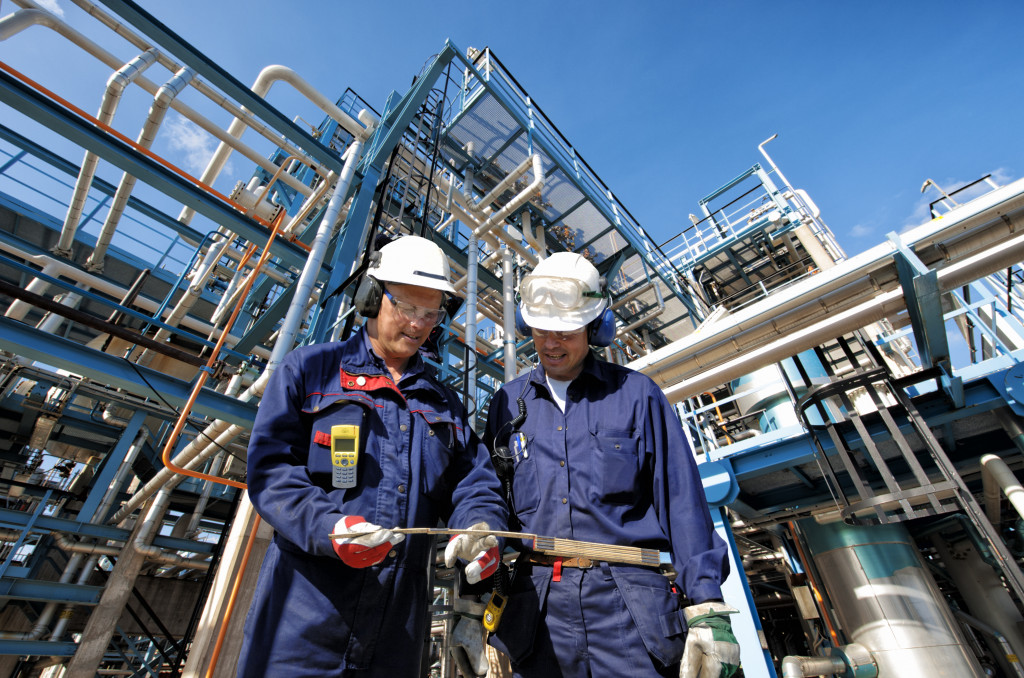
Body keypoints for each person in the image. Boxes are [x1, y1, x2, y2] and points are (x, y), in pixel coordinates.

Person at [237, 235, 507, 677]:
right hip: (301, 622)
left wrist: (482, 527)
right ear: (372, 298)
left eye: (431, 313)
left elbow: (474, 483)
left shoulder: (444, 405)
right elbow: (271, 470)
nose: (419, 324)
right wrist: (329, 527)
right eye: (405, 307)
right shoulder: (310, 371)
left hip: (397, 631)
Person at [484, 252, 741, 678]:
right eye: (541, 330)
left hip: (630, 609)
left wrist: (707, 606)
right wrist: (476, 598)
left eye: (565, 332)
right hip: (539, 612)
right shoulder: (508, 404)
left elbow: (682, 503)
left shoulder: (637, 395)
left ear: (596, 328)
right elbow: (490, 501)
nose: (550, 343)